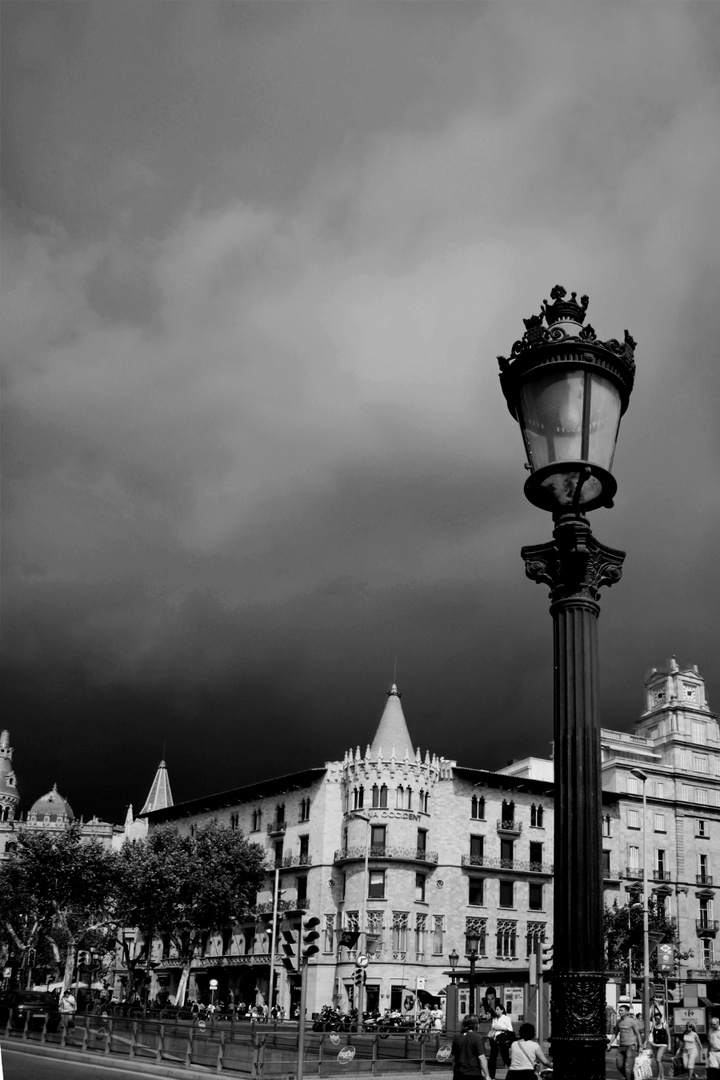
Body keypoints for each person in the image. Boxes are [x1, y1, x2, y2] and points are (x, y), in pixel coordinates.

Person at [450, 1014, 490, 1080]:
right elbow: (482, 1058)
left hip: (458, 1073)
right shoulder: (477, 1038)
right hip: (473, 1074)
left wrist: (455, 1072)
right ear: (474, 1025)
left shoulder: (456, 1037)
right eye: (478, 1023)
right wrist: (487, 1075)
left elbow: (453, 1058)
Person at [612, 1003, 642, 1080]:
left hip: (630, 1047)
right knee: (619, 1066)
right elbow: (615, 1033)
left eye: (621, 1010)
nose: (619, 1012)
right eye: (619, 1010)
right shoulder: (619, 1022)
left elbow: (638, 1034)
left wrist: (640, 1046)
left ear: (627, 1012)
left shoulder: (632, 1022)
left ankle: (629, 1078)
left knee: (628, 1068)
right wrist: (610, 1043)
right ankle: (631, 1078)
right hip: (621, 1047)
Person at [487, 1003, 514, 1078]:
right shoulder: (494, 1019)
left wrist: (501, 1028)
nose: (496, 1011)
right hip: (495, 1040)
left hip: (503, 1040)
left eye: (498, 1009)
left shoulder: (506, 1018)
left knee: (505, 1058)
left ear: (502, 1010)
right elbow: (493, 1028)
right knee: (492, 1059)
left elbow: (510, 1030)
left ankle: (515, 1071)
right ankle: (491, 1076)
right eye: (495, 1009)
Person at [648, 1010, 670, 1079]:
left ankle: (662, 1077)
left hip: (663, 1045)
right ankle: (659, 1076)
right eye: (655, 1019)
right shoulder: (654, 1025)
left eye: (658, 1018)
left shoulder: (664, 1025)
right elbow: (651, 1034)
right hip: (655, 1044)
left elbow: (669, 1036)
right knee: (658, 1062)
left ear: (661, 1018)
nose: (657, 1020)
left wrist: (669, 1045)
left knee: (658, 1059)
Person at [707, 1014, 720, 1080]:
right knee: (713, 1069)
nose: (712, 1026)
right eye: (711, 1024)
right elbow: (709, 1042)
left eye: (714, 1024)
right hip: (712, 1052)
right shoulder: (710, 1030)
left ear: (718, 1023)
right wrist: (707, 1052)